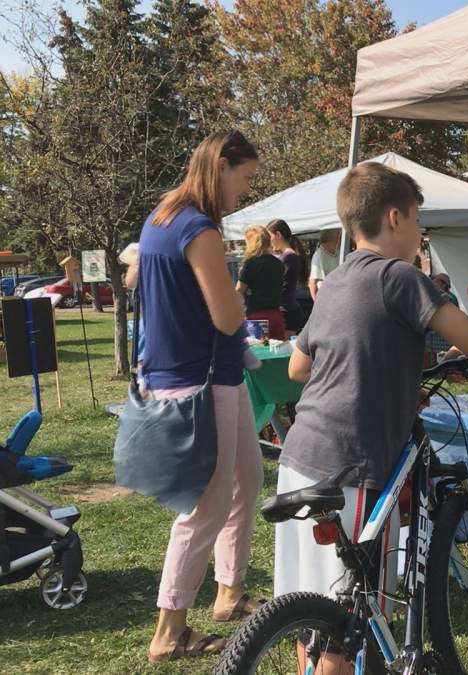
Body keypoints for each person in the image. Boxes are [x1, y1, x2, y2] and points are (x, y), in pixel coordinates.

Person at [275, 162, 468, 673]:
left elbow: (297, 366)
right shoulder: (402, 277)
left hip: (302, 452)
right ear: (394, 217)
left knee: (310, 607)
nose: (421, 232)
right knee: (349, 618)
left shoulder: (333, 282)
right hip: (354, 463)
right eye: (418, 220)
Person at [137, 131, 264, 663]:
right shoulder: (199, 228)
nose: (247, 190)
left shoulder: (162, 219)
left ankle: (229, 593)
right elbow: (229, 317)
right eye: (247, 177)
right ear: (221, 166)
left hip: (199, 376)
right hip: (203, 381)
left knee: (246, 481)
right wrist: (237, 292)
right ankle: (169, 631)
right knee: (205, 507)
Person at [236, 226, 285, 340]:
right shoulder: (278, 264)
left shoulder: (251, 264)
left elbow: (238, 291)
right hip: (276, 316)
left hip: (256, 317)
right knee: (277, 355)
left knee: (259, 354)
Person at [267, 219, 306, 336]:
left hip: (287, 312)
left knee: (284, 351)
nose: (269, 241)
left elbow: (271, 279)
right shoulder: (287, 255)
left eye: (270, 237)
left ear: (278, 235)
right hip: (287, 310)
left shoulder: (288, 256)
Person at [307, 228, 341, 300]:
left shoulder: (339, 252)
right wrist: (317, 304)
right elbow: (312, 284)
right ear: (332, 237)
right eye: (339, 234)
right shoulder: (319, 255)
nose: (340, 237)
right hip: (326, 299)